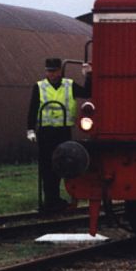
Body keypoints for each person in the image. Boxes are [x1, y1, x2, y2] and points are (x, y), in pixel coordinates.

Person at [26, 57, 92, 212]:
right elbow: (33, 108)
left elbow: (87, 92)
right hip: (45, 132)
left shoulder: (69, 85)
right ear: (46, 71)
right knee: (47, 167)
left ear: (60, 71)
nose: (52, 74)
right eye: (49, 71)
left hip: (62, 132)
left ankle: (65, 198)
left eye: (54, 71)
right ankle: (51, 200)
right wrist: (30, 129)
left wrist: (88, 76)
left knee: (63, 165)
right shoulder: (39, 87)